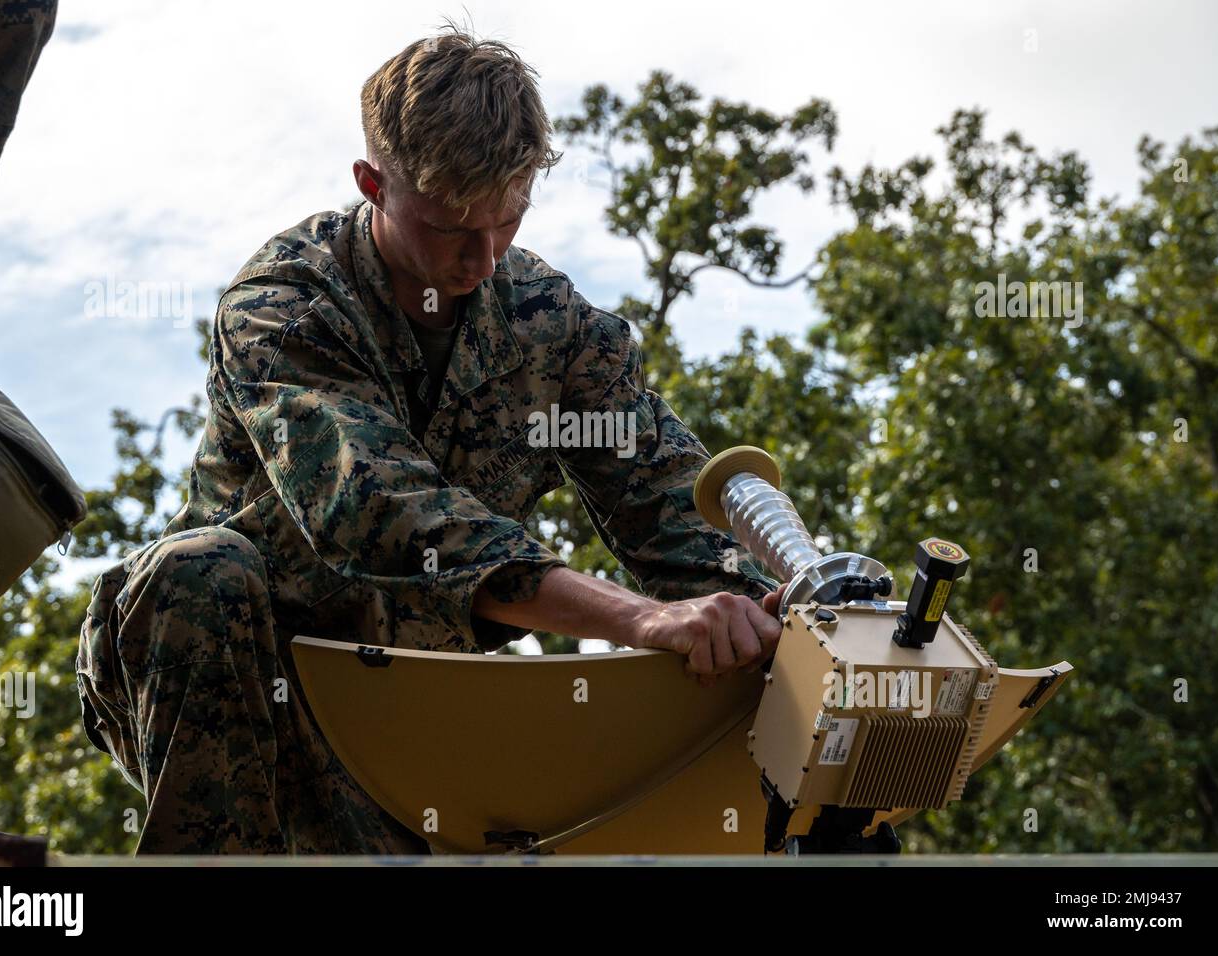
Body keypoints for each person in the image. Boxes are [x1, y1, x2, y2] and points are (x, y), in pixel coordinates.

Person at [76, 25, 785, 855]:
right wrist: (642, 620)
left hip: (415, 696)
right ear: (372, 183)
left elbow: (667, 496)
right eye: (452, 227)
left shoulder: (549, 323)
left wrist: (771, 610)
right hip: (244, 679)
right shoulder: (286, 306)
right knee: (199, 573)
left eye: (508, 218)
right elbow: (382, 511)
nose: (482, 259)